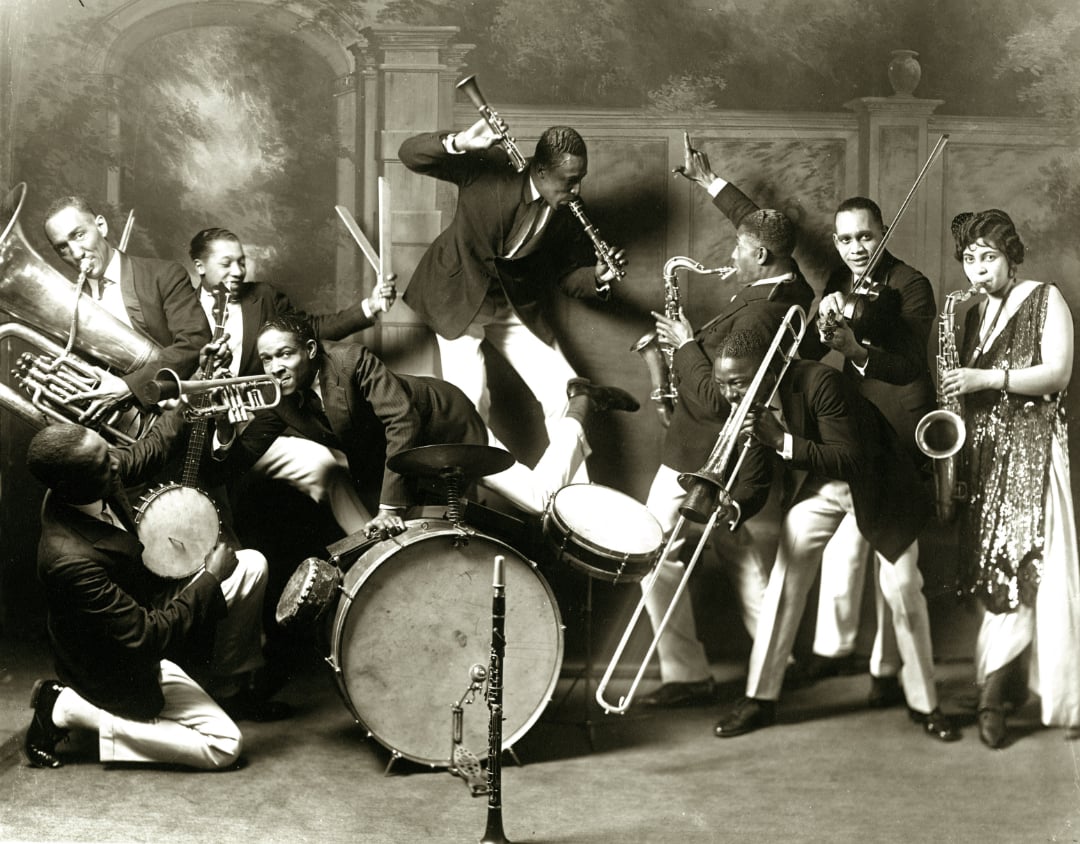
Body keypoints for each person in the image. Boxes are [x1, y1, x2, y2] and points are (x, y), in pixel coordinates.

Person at [634, 133, 815, 708]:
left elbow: (716, 400)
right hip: (729, 456)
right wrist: (712, 183)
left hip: (702, 451)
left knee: (648, 554)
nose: (729, 256)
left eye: (737, 249)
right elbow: (759, 226)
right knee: (740, 564)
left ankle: (687, 672)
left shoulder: (758, 319)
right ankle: (776, 661)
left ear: (758, 256)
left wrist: (685, 345)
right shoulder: (793, 286)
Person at [22, 377, 285, 770]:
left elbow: (150, 449)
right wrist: (209, 577)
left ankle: (229, 686)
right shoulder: (67, 558)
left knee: (251, 565)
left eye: (108, 451)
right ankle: (67, 708)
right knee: (224, 746)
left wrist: (190, 401)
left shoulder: (91, 472)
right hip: (120, 669)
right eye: (105, 462)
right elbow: (147, 636)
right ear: (71, 485)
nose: (117, 461)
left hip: (145, 603)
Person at [711, 328, 960, 742]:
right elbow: (755, 472)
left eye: (737, 383)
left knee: (902, 589)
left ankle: (925, 703)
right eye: (722, 385)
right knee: (785, 574)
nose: (730, 395)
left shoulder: (820, 381)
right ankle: (760, 698)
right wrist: (735, 505)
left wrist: (780, 439)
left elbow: (850, 458)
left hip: (879, 485)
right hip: (826, 484)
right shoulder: (752, 402)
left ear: (768, 370)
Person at [215, 314, 637, 536]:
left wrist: (387, 510)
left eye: (284, 355)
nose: (274, 368)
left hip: (445, 427)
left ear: (309, 349)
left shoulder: (350, 361)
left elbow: (402, 421)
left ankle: (580, 404)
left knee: (541, 502)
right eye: (267, 359)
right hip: (407, 464)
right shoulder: (276, 394)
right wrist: (222, 430)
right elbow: (235, 462)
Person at [398, 121, 626, 456]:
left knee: (566, 392)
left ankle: (568, 495)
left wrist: (597, 277)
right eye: (570, 181)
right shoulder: (490, 167)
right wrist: (459, 142)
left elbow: (566, 275)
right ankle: (465, 498)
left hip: (510, 303)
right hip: (457, 296)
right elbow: (409, 154)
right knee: (470, 403)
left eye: (581, 178)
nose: (577, 189)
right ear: (542, 170)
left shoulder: (568, 210)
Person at [942, 209, 1079, 748]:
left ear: (1012, 257)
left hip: (1034, 449)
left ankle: (992, 695)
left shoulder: (1047, 298)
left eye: (989, 257)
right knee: (989, 566)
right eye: (970, 259)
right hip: (986, 454)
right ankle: (1002, 685)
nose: (978, 270)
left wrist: (983, 377)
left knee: (1021, 563)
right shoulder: (974, 316)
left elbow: (1058, 373)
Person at [796, 196, 938, 704]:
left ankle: (888, 669)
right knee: (849, 547)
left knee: (895, 562)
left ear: (883, 234)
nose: (858, 247)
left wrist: (857, 348)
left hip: (900, 429)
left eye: (867, 236)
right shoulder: (837, 281)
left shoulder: (911, 285)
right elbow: (812, 351)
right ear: (835, 242)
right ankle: (840, 654)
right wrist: (821, 319)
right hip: (857, 432)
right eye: (847, 238)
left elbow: (908, 364)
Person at [190, 227, 397, 535]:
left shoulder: (264, 297)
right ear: (199, 267)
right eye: (226, 263)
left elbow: (310, 330)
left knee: (324, 466)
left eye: (242, 261)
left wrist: (370, 305)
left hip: (264, 423)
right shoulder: (180, 309)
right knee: (214, 519)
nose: (238, 271)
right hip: (204, 441)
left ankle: (373, 551)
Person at [42, 196, 211, 417]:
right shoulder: (69, 308)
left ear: (101, 226)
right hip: (120, 432)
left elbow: (195, 342)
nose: (75, 253)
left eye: (79, 235)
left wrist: (130, 387)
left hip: (179, 415)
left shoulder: (164, 275)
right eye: (62, 248)